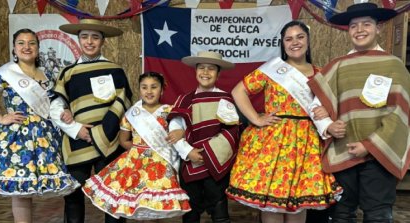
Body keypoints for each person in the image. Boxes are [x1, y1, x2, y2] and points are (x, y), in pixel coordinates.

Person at [226, 21, 343, 223]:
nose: (294, 42)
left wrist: (327, 110)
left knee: (298, 204)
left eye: (300, 37)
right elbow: (239, 91)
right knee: (272, 200)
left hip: (306, 143)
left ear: (308, 40)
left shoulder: (321, 73)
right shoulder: (272, 69)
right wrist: (256, 118)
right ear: (282, 43)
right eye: (289, 39)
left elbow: (332, 105)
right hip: (274, 142)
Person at [308, 3, 410, 223]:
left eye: (366, 24)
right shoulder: (338, 66)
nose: (360, 29)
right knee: (341, 214)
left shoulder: (394, 65)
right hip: (343, 151)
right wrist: (327, 124)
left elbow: (399, 114)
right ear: (348, 30)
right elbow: (316, 105)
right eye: (354, 25)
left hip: (379, 154)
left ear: (378, 28)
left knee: (378, 215)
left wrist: (369, 146)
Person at [0, 28, 80, 223]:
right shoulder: (6, 73)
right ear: (14, 49)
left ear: (38, 47)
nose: (27, 47)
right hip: (17, 137)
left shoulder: (47, 74)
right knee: (21, 190)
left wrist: (65, 111)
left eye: (31, 43)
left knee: (29, 189)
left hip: (44, 136)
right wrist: (0, 118)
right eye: (21, 43)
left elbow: (53, 105)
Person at [50, 19, 133, 223]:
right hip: (77, 140)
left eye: (95, 37)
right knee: (73, 196)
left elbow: (123, 104)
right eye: (85, 37)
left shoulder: (115, 70)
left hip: (110, 140)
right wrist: (75, 128)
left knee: (113, 196)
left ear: (103, 41)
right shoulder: (66, 72)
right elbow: (55, 107)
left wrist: (103, 131)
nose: (89, 42)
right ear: (78, 40)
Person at [82, 71, 191, 220]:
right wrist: (138, 151)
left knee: (156, 205)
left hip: (161, 163)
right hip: (135, 163)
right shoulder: (132, 113)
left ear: (162, 89)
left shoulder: (170, 111)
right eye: (144, 87)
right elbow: (124, 140)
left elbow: (180, 133)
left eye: (154, 87)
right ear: (139, 89)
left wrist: (179, 134)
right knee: (136, 203)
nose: (149, 91)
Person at [167, 51, 241, 223]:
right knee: (191, 215)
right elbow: (175, 129)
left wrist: (207, 153)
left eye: (211, 69)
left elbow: (231, 132)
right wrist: (189, 151)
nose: (205, 72)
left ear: (218, 73)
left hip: (215, 166)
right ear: (195, 71)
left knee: (220, 213)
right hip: (190, 164)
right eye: (201, 68)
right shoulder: (184, 99)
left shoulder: (225, 99)